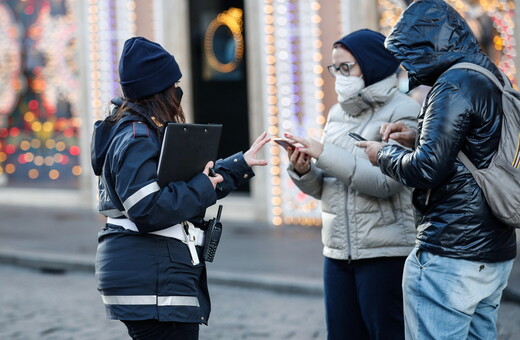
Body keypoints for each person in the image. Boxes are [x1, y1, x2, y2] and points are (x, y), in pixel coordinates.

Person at [90, 36, 270, 340]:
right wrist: (203, 185)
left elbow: (183, 183)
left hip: (153, 275)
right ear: (158, 90)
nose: (178, 92)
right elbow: (147, 209)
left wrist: (238, 165)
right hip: (154, 280)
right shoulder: (137, 137)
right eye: (174, 85)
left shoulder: (141, 132)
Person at [356, 1, 517, 339]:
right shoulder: (488, 74)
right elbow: (476, 146)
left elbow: (426, 169)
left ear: (425, 47)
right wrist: (418, 136)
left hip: (451, 249)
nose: (406, 66)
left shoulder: (453, 83)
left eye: (408, 55)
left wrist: (382, 153)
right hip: (493, 251)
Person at [283, 29, 420, 340]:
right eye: (336, 68)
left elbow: (385, 183)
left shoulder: (404, 110)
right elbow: (326, 188)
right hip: (337, 252)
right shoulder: (337, 114)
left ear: (370, 65)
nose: (340, 76)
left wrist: (323, 152)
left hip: (384, 253)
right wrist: (303, 170)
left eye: (347, 67)